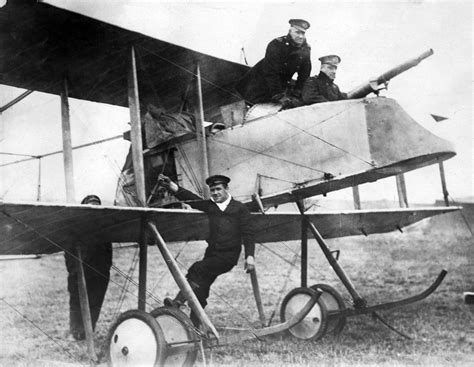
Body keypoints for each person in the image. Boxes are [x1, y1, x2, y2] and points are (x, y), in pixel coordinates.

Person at [157, 174, 255, 327]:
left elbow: (249, 233)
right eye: (212, 190)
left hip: (228, 257)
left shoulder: (239, 208)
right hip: (211, 256)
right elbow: (192, 199)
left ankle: (177, 302)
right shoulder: (210, 206)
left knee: (197, 269)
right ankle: (195, 326)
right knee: (201, 288)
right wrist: (172, 187)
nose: (215, 193)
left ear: (226, 189)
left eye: (218, 189)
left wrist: (250, 256)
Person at [64, 195, 112, 340]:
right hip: (79, 271)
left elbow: (108, 253)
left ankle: (89, 329)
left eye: (97, 207)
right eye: (90, 206)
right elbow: (68, 251)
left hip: (100, 271)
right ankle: (76, 331)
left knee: (96, 300)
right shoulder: (74, 227)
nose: (94, 210)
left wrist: (105, 269)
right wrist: (74, 270)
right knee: (76, 301)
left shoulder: (104, 228)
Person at [235, 19, 311, 109]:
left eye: (303, 33)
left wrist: (296, 94)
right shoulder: (277, 44)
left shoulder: (305, 49)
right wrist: (278, 95)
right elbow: (270, 72)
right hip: (258, 86)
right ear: (290, 31)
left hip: (278, 88)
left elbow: (304, 74)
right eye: (297, 32)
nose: (301, 36)